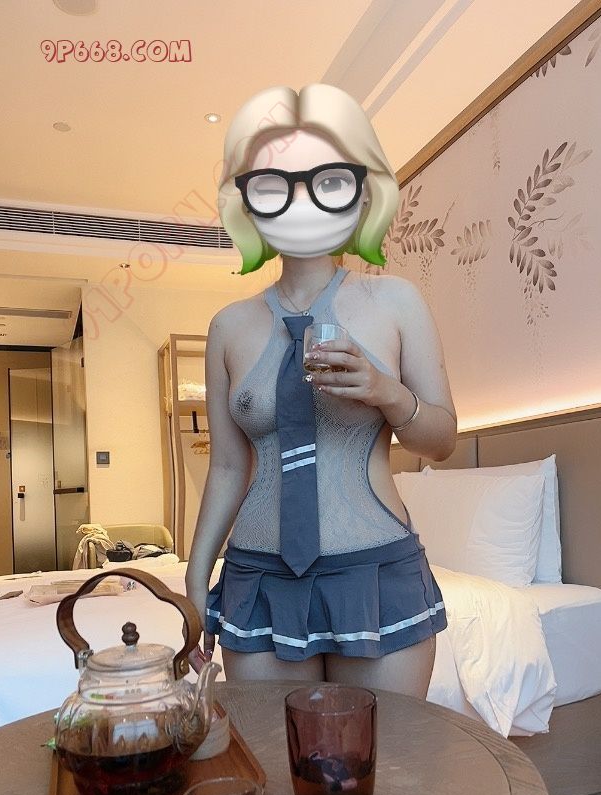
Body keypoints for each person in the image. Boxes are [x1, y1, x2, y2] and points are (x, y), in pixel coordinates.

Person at [185, 84, 457, 698]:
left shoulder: (396, 302)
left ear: (361, 190)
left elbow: (441, 440)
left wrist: (386, 392)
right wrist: (196, 578)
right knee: (271, 755)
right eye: (273, 184)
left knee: (379, 753)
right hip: (257, 578)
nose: (301, 201)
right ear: (247, 201)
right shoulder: (228, 326)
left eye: (327, 180)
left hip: (374, 570)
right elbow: (226, 466)